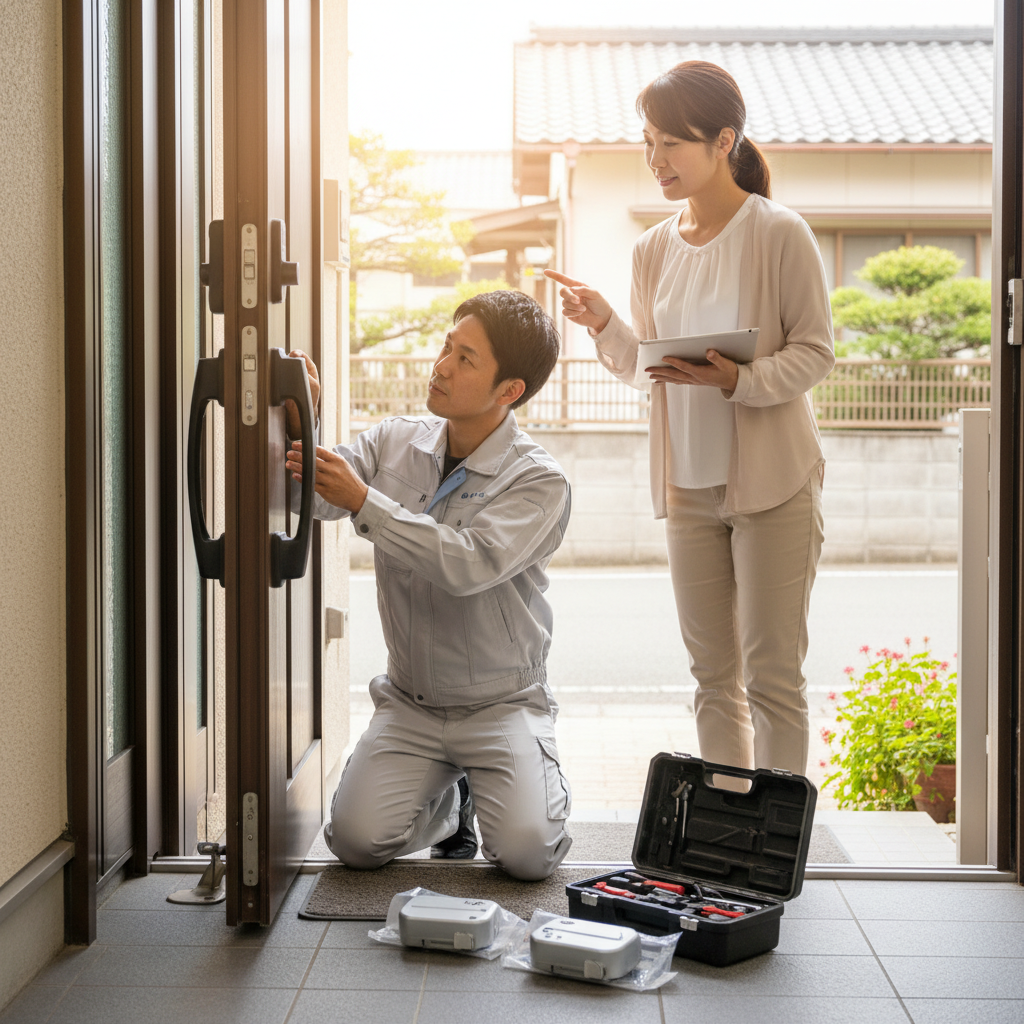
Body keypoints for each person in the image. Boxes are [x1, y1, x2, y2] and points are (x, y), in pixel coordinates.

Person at [546, 61, 834, 779]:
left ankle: (777, 843)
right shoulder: (653, 249)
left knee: (773, 679)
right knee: (712, 678)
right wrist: (606, 321)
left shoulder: (779, 234)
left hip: (774, 487)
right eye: (649, 142)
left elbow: (815, 353)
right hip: (687, 488)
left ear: (723, 141)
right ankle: (728, 833)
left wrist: (741, 379)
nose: (656, 160)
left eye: (672, 143)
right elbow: (648, 366)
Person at [284, 289, 573, 880]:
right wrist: (301, 416)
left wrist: (367, 502)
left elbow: (467, 564)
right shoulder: (394, 440)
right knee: (355, 844)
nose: (440, 366)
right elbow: (311, 498)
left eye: (465, 359)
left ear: (509, 390)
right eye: (447, 346)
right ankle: (450, 808)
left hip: (502, 705)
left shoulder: (539, 481)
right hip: (411, 703)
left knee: (527, 856)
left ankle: (498, 786)